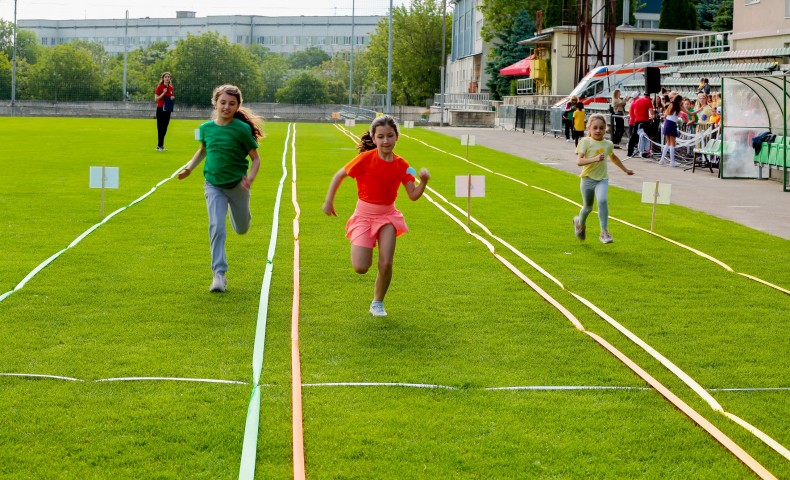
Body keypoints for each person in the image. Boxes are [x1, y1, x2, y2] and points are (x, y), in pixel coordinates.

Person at [322, 115, 430, 317]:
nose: (386, 141)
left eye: (390, 136)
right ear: (373, 137)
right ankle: (362, 245)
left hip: (388, 216)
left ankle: (378, 302)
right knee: (361, 267)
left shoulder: (401, 164)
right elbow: (340, 174)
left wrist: (423, 181)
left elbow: (413, 195)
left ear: (397, 137)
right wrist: (329, 201)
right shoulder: (365, 159)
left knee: (386, 262)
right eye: (381, 136)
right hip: (364, 216)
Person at [177, 85, 263, 293]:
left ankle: (240, 215)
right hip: (213, 185)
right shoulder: (206, 128)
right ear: (215, 103)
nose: (226, 107)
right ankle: (219, 275)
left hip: (238, 185)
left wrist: (250, 178)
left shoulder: (241, 129)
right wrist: (189, 168)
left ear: (237, 106)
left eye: (231, 104)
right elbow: (202, 151)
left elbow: (256, 159)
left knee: (241, 228)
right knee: (216, 226)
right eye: (222, 102)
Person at [573, 114, 635, 244]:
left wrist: (625, 170)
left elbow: (613, 157)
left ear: (605, 129)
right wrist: (595, 159)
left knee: (602, 200)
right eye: (595, 128)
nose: (598, 131)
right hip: (587, 179)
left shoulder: (608, 144)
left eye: (601, 128)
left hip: (602, 179)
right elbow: (579, 161)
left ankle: (604, 232)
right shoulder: (585, 142)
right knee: (588, 207)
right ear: (588, 128)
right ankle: (580, 224)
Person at [659, 95, 690, 167]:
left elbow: (666, 114)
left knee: (668, 143)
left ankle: (662, 159)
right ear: (679, 100)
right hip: (672, 124)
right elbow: (690, 113)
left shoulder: (671, 104)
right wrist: (700, 109)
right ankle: (672, 161)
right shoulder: (678, 107)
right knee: (672, 143)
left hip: (667, 123)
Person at [626, 92, 654, 158]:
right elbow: (651, 112)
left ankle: (629, 151)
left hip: (637, 120)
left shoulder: (636, 102)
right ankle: (645, 152)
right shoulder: (648, 101)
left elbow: (634, 112)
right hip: (645, 121)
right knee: (646, 136)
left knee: (634, 136)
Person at [154, 72, 175, 152]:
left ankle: (161, 146)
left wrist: (172, 98)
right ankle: (159, 146)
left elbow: (170, 98)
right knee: (160, 128)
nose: (167, 78)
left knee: (165, 128)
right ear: (163, 78)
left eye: (168, 77)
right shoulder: (160, 87)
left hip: (167, 109)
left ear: (170, 79)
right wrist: (163, 93)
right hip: (160, 109)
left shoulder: (171, 88)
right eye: (165, 77)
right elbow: (156, 99)